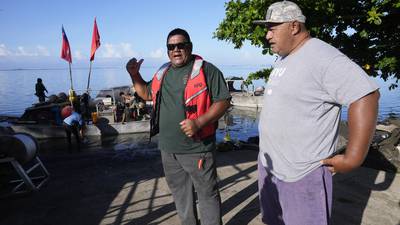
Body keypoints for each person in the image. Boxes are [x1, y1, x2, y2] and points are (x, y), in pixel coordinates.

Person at [253, 1, 380, 225]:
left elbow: (365, 96)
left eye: (272, 28)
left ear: (294, 26)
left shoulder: (322, 56)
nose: (267, 35)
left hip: (301, 175)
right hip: (271, 167)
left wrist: (353, 158)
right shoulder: (285, 57)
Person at [126, 28, 231, 225]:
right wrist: (134, 75)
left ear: (189, 47)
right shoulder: (163, 72)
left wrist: (198, 122)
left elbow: (223, 101)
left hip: (197, 148)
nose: (176, 50)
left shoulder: (207, 70)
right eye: (171, 47)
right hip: (168, 149)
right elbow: (146, 94)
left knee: (207, 196)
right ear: (167, 51)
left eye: (180, 45)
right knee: (181, 197)